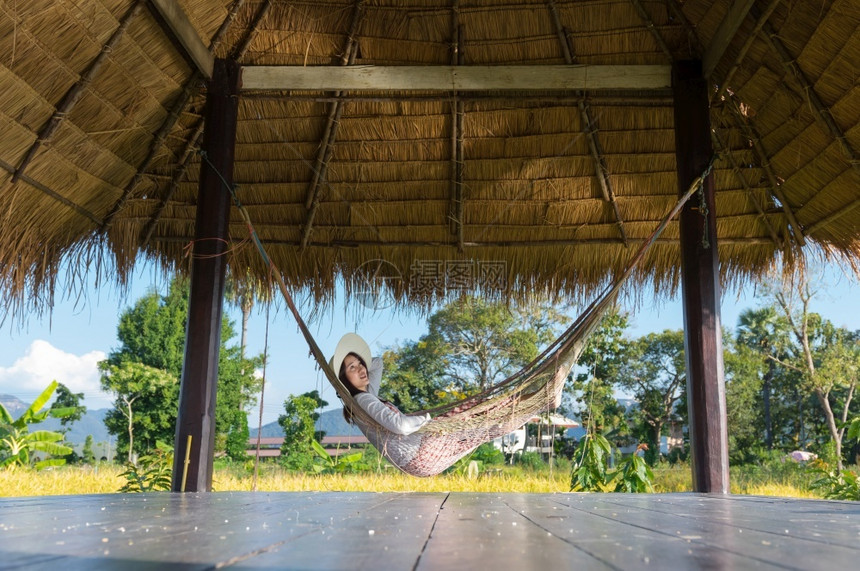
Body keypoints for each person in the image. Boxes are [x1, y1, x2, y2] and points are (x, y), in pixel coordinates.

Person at [330, 333, 431, 436]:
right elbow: (401, 426)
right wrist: (427, 419)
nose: (361, 368)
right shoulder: (363, 399)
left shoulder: (368, 394)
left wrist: (361, 369)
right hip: (417, 448)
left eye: (360, 363)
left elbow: (378, 362)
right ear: (343, 379)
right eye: (352, 367)